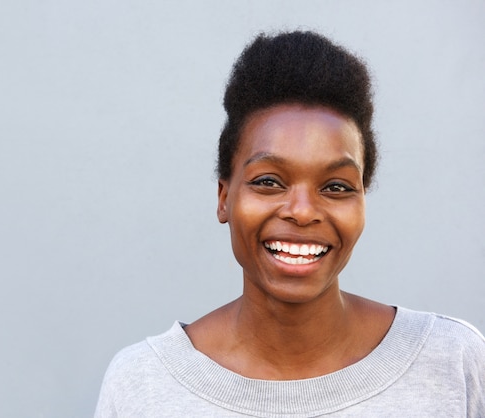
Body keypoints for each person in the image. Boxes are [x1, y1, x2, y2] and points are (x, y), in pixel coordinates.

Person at [94, 31, 485, 417]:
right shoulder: (143, 386)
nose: (301, 211)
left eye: (335, 186)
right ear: (224, 197)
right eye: (268, 181)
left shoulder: (453, 363)